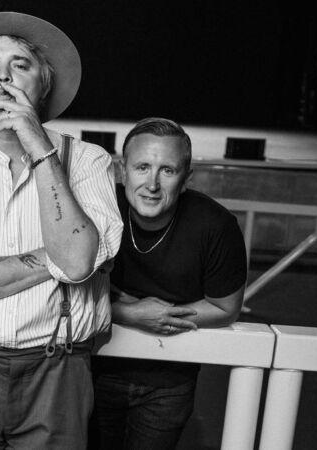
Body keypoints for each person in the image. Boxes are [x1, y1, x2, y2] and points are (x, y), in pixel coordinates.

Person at [0, 12, 124, 448]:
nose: (3, 77)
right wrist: (54, 256)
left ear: (43, 85)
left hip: (58, 370)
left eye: (20, 65)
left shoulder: (88, 161)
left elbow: (77, 263)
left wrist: (38, 146)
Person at [91, 117, 247, 449]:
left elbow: (226, 308)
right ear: (122, 171)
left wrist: (138, 308)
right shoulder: (98, 209)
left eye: (167, 170)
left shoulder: (216, 225)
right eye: (142, 167)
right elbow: (64, 290)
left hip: (169, 382)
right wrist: (130, 313)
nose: (152, 183)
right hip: (94, 368)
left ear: (186, 178)